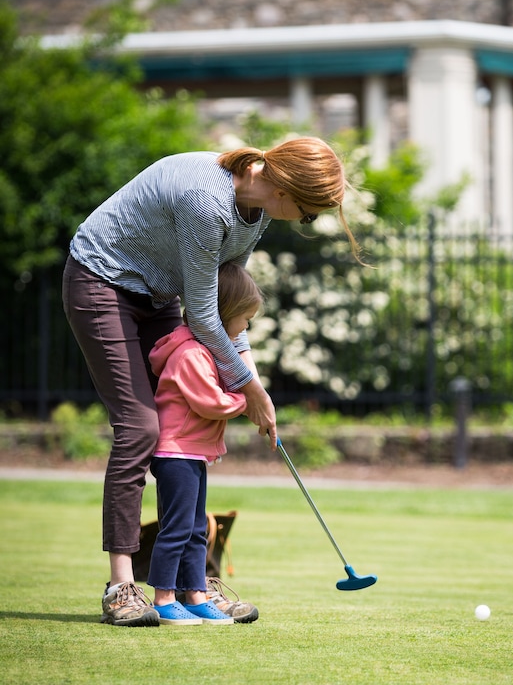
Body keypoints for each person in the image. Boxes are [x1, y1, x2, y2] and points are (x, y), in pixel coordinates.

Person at [62, 136, 358, 627]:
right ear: (285, 191)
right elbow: (202, 315)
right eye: (308, 215)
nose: (303, 222)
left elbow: (227, 305)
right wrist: (249, 391)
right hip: (102, 281)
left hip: (158, 295)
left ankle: (190, 586)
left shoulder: (257, 212)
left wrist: (252, 382)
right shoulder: (207, 200)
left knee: (178, 433)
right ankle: (122, 587)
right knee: (140, 428)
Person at [147, 262, 262, 626]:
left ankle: (195, 595)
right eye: (245, 319)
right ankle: (164, 598)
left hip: (192, 453)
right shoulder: (191, 354)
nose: (245, 328)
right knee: (177, 528)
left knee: (197, 529)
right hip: (175, 452)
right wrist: (247, 400)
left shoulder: (205, 351)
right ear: (225, 313)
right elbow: (210, 402)